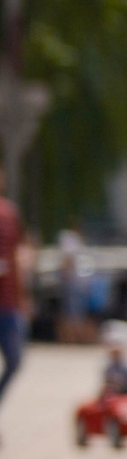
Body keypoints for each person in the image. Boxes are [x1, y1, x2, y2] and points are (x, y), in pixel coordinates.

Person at [0, 164, 26, 442]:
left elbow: (18, 256)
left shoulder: (9, 213)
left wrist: (23, 299)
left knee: (15, 360)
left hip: (7, 304)